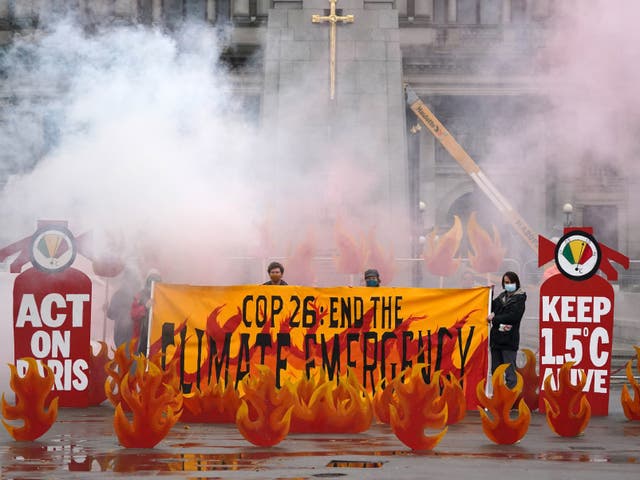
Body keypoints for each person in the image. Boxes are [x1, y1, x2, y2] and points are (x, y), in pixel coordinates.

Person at [487, 271, 526, 389]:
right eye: (506, 282)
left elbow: (514, 316)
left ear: (516, 283)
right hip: (496, 341)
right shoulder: (501, 297)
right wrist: (490, 292)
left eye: (510, 282)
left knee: (510, 373)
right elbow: (490, 306)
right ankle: (497, 399)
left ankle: (511, 401)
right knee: (496, 372)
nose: (508, 284)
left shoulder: (519, 299)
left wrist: (495, 318)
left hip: (509, 341)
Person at [130, 269, 162, 355]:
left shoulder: (163, 297)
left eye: (157, 280)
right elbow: (133, 314)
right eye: (151, 280)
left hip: (157, 337)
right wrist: (145, 307)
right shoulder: (140, 295)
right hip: (142, 336)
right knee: (142, 362)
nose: (154, 283)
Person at [107, 269, 139, 349]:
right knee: (132, 356)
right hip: (134, 332)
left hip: (119, 332)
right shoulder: (137, 295)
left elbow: (111, 315)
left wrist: (107, 309)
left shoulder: (117, 295)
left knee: (122, 356)